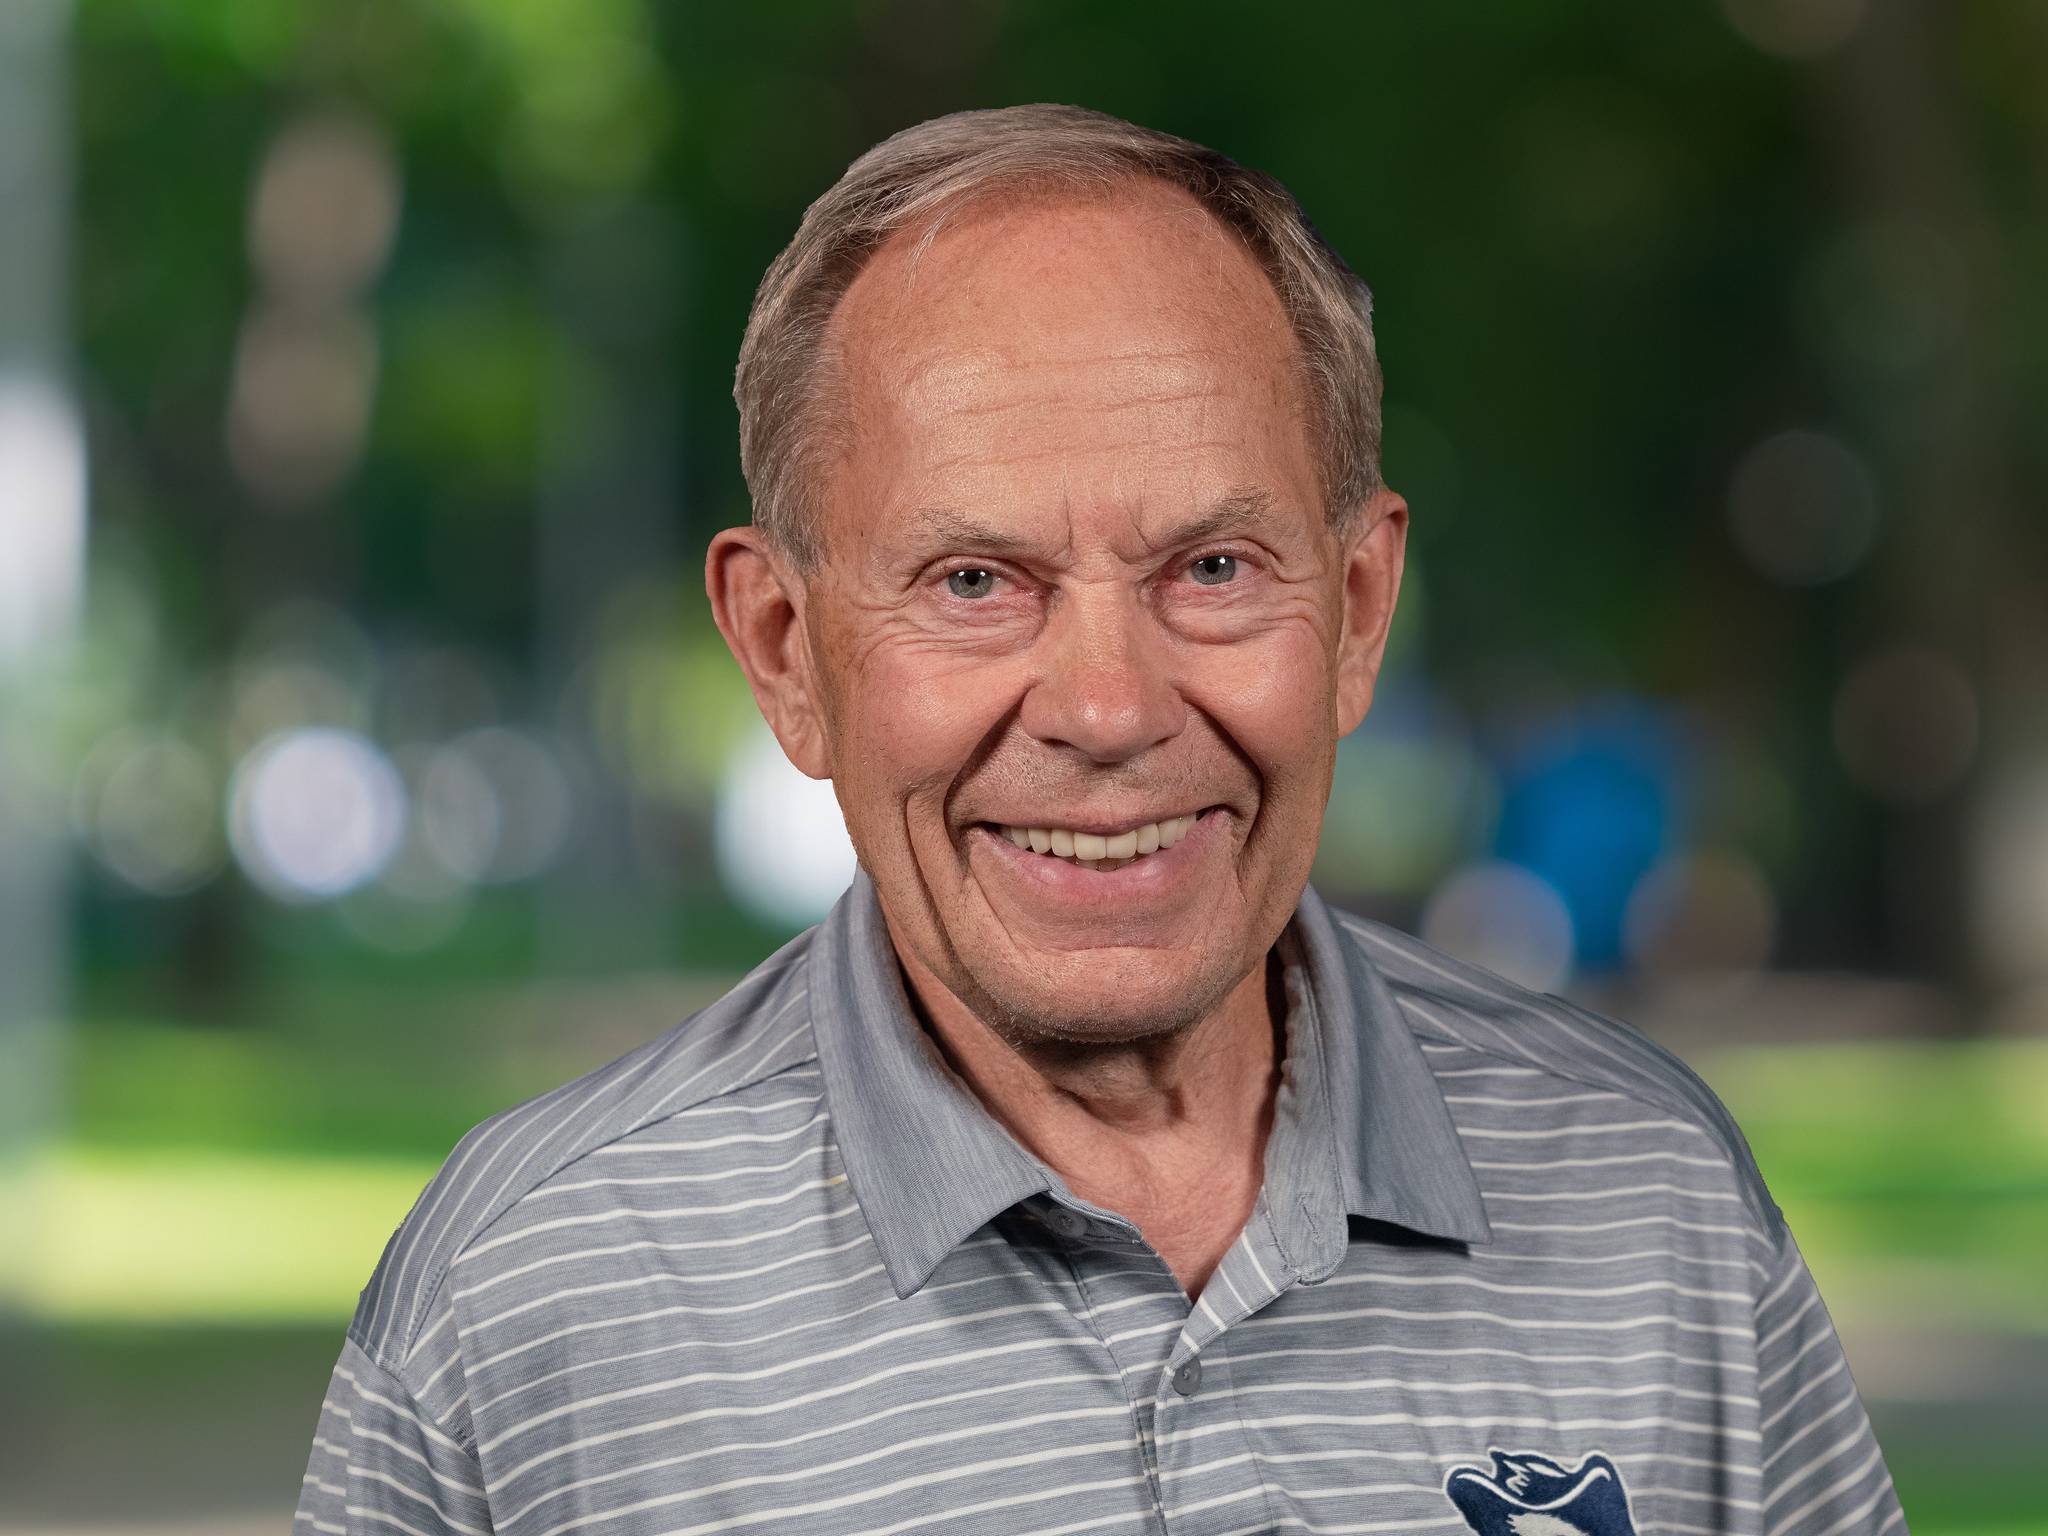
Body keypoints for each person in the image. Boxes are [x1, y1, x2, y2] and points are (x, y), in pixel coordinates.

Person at [296, 104, 1905, 1536]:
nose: (1110, 707)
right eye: (974, 582)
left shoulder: (1656, 1199)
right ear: (786, 652)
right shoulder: (525, 1301)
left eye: (1211, 569)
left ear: (1354, 611)